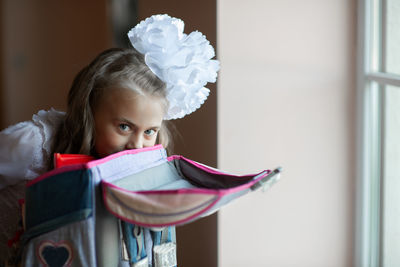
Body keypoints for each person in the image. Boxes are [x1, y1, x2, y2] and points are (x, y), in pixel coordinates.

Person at [0, 14, 219, 266]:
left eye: (149, 131)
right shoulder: (34, 144)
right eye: (124, 127)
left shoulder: (146, 168)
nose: (137, 145)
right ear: (89, 115)